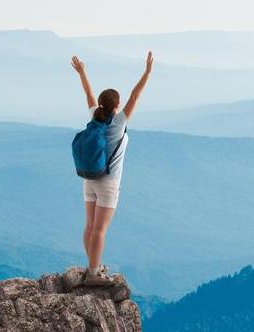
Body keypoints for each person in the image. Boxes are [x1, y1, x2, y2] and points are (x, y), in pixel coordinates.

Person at [71, 51, 154, 286]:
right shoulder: (119, 123)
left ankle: (92, 265)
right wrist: (147, 72)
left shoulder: (93, 118)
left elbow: (88, 94)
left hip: (89, 179)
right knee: (99, 230)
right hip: (108, 183)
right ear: (117, 106)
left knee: (89, 226)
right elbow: (136, 95)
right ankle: (94, 274)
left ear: (100, 105)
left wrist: (82, 72)